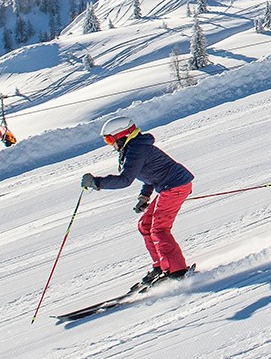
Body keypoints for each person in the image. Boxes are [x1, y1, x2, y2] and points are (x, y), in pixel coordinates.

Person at [81, 116, 195, 285]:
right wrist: (145, 196)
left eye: (110, 139)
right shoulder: (134, 148)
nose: (110, 144)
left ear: (122, 135)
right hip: (169, 186)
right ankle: (161, 266)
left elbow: (125, 180)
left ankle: (178, 271)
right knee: (145, 225)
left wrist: (97, 182)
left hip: (175, 186)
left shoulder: (137, 150)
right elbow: (150, 174)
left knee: (159, 229)